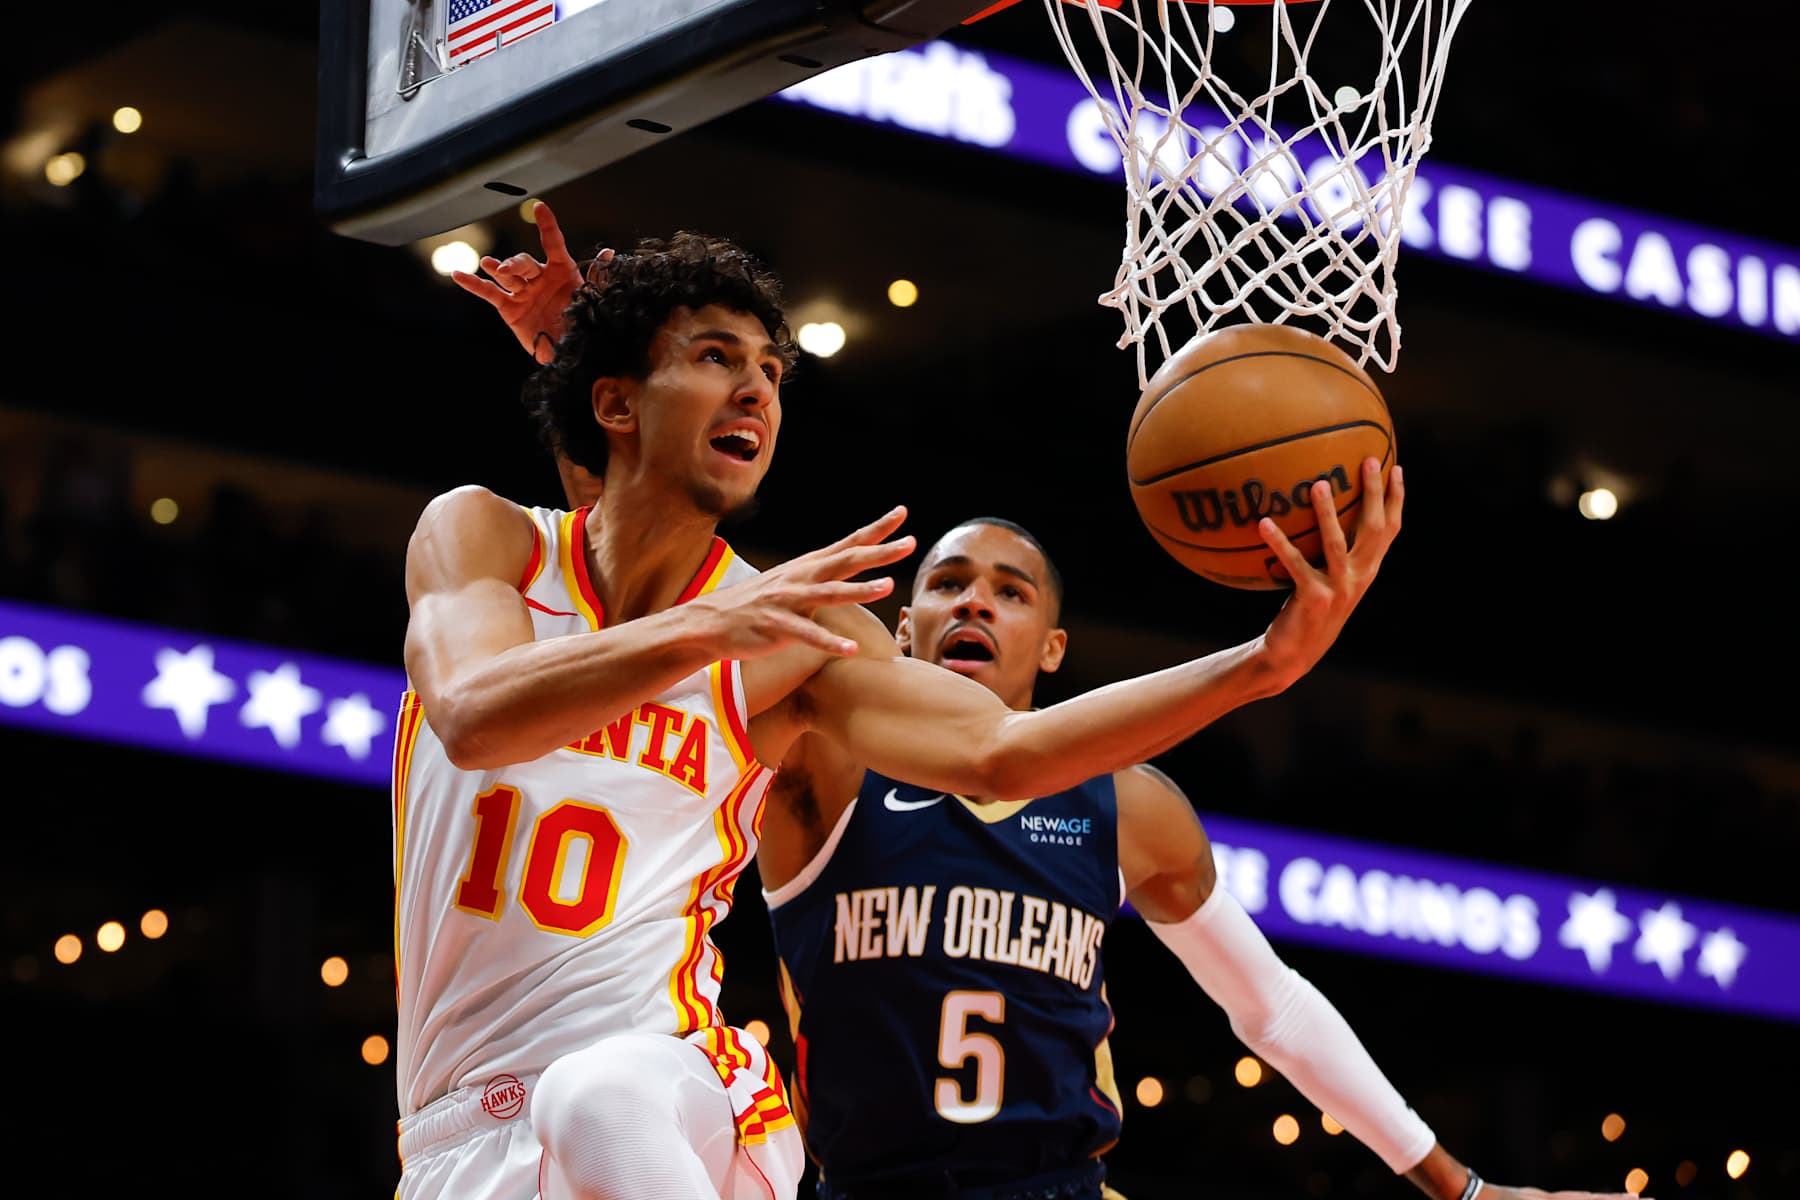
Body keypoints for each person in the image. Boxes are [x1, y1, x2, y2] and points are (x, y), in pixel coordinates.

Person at [450, 203, 1641, 1200]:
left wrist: (1456, 1185)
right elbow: (629, 598)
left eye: (1009, 590)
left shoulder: (1123, 802)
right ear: (901, 632)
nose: (974, 600)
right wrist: (592, 369)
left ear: (1054, 645)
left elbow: (1271, 1006)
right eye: (945, 583)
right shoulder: (821, 748)